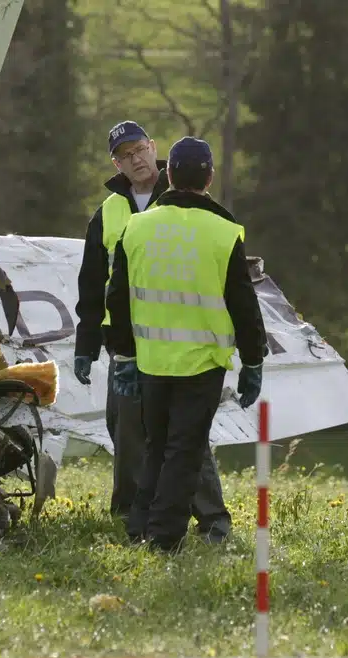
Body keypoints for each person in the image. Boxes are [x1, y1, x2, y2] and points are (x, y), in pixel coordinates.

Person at [74, 120, 238, 542]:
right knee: (127, 430)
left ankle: (211, 519)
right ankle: (132, 515)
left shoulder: (189, 193)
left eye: (140, 149)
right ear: (117, 163)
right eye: (125, 155)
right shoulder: (108, 213)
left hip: (186, 341)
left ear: (154, 148)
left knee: (187, 436)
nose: (136, 159)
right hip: (128, 343)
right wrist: (86, 343)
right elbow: (93, 282)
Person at [105, 136, 267, 552]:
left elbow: (116, 297)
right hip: (201, 363)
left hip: (151, 361)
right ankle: (163, 538)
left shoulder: (136, 228)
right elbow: (244, 304)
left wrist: (123, 355)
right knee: (184, 451)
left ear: (169, 175)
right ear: (209, 177)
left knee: (158, 447)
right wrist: (252, 362)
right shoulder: (224, 232)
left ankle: (140, 525)